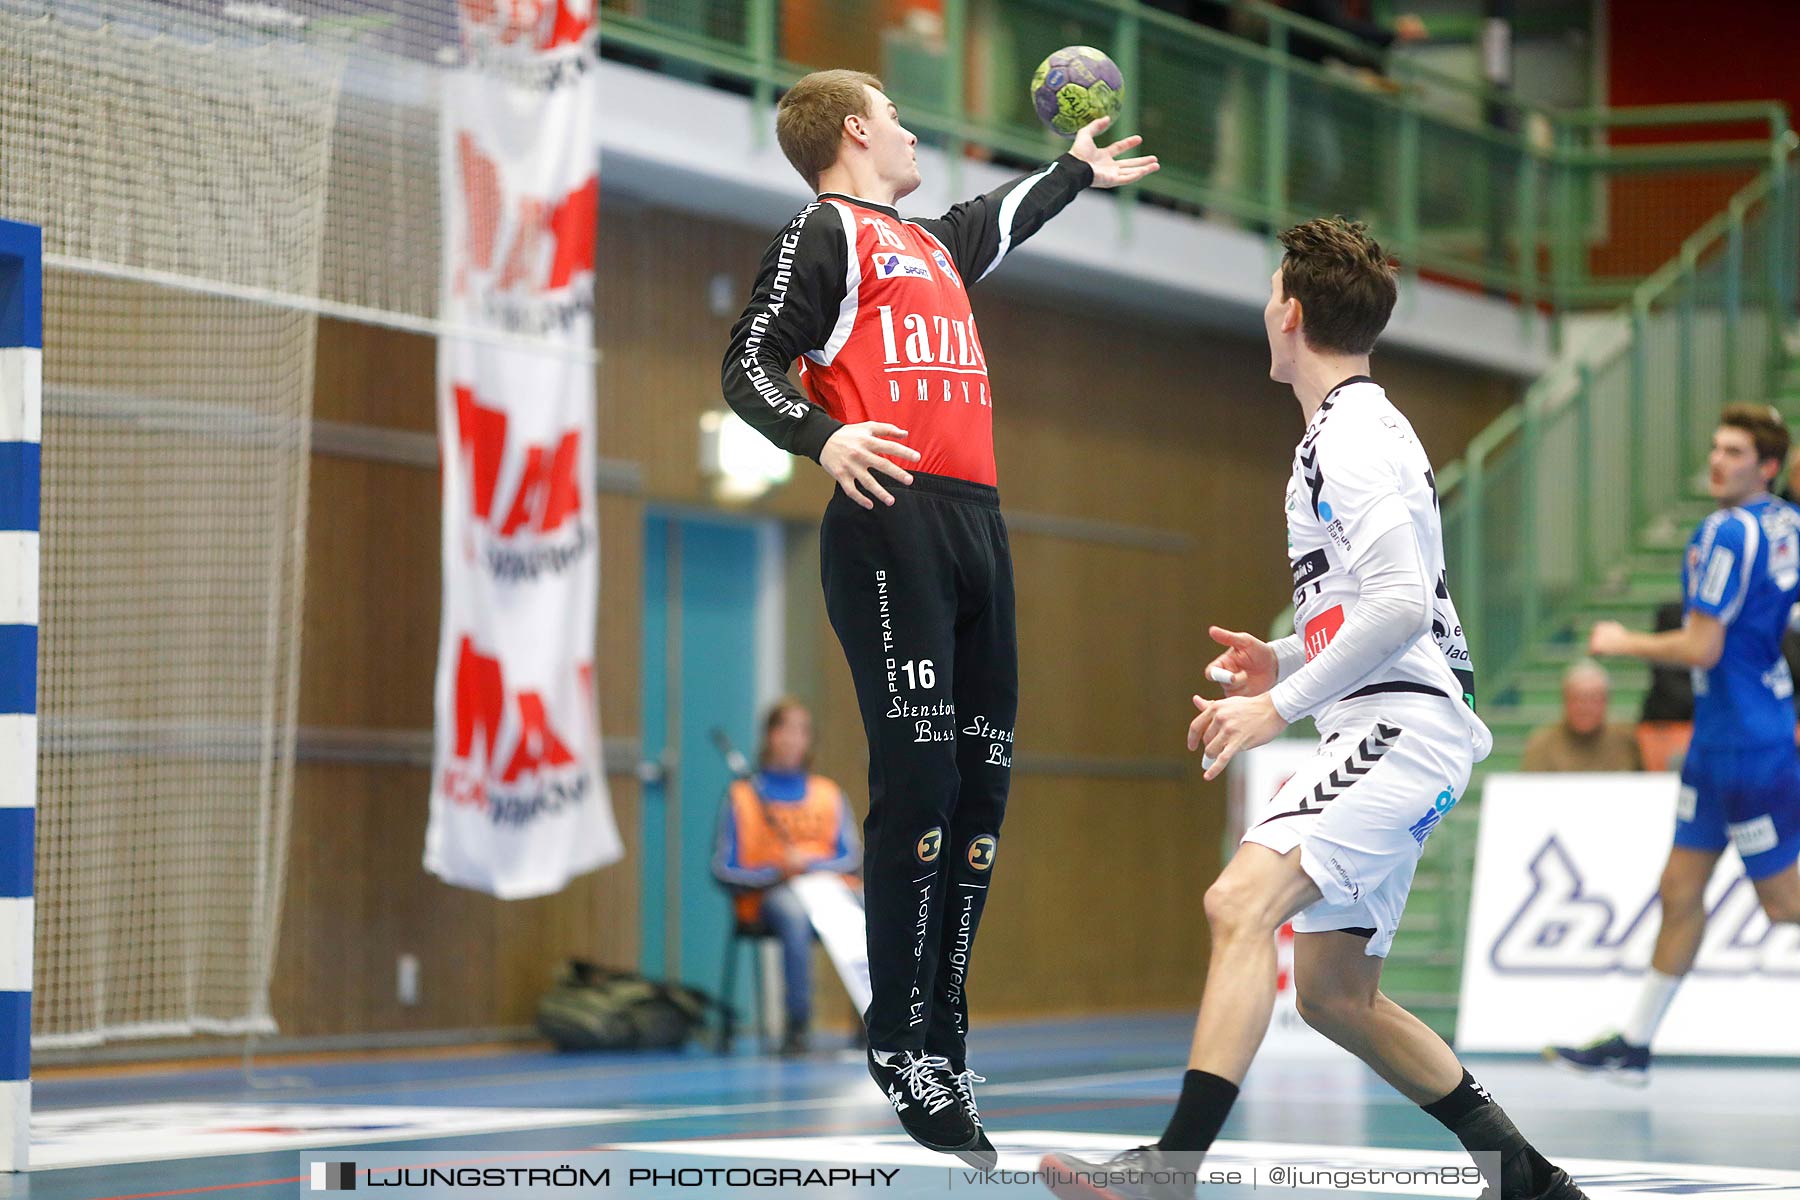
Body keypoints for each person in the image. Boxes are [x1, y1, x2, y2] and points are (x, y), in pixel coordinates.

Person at [1041, 218, 1583, 1200]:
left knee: (1237, 902)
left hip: (1396, 727)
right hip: (1402, 723)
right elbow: (1391, 601)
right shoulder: (1358, 430)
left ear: (1289, 315)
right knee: (1336, 995)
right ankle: (1527, 1179)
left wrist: (1278, 705)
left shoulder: (1353, 440)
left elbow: (1403, 606)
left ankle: (1171, 1169)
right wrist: (1286, 652)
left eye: (1268, 297)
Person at [720, 69, 1157, 1164]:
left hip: (977, 527)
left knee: (980, 785)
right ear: (858, 131)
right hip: (890, 524)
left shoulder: (925, 244)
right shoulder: (828, 232)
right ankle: (898, 1039)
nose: (917, 134)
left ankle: (943, 1027)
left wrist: (1075, 172)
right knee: (917, 782)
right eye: (901, 117)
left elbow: (994, 220)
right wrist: (821, 438)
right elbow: (746, 361)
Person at [1547, 404, 1800, 1082]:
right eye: (1716, 447)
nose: (1717, 461)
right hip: (1724, 738)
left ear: (1767, 467)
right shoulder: (1786, 523)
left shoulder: (1726, 533)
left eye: (1735, 452)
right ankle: (1635, 1044)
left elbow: (1700, 645)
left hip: (1747, 748)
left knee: (1785, 905)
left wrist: (1621, 640)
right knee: (1679, 888)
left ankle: (1634, 1043)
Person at [711, 699, 861, 1057]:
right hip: (769, 896)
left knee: (872, 912)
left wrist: (811, 864)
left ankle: (874, 1023)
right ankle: (798, 1026)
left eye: (802, 731)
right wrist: (778, 871)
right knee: (793, 916)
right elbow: (723, 869)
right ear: (770, 736)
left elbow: (852, 857)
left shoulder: (828, 794)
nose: (794, 739)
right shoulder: (742, 797)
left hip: (828, 890)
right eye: (786, 729)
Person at [1520, 659, 1643, 772]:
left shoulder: (1626, 740)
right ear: (1565, 700)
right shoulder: (1542, 745)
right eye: (1578, 699)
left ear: (1606, 701)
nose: (1585, 708)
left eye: (1594, 699)